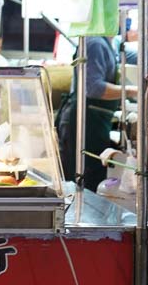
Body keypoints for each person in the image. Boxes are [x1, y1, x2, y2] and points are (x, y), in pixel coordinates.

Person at [56, 34, 138, 192]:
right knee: (83, 184)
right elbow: (94, 88)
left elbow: (140, 56)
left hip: (95, 121)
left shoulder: (111, 43)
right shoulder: (95, 44)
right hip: (84, 121)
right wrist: (134, 91)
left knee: (92, 180)